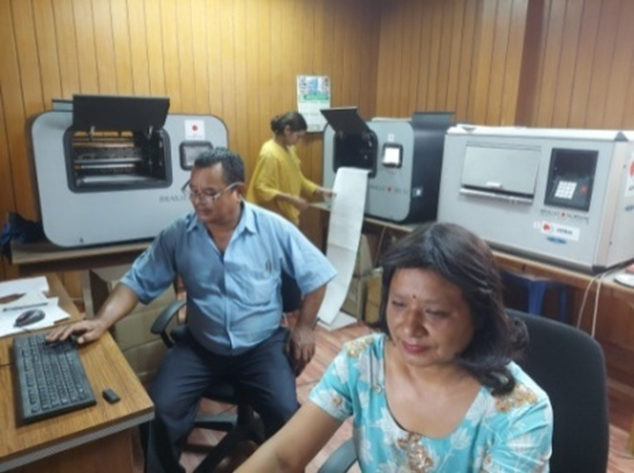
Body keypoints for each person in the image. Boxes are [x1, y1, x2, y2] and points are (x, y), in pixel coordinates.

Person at [46, 148, 337, 473]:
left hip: (262, 346)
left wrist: (304, 327)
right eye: (193, 191)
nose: (198, 200)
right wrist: (100, 322)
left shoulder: (273, 229)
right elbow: (135, 282)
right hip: (202, 346)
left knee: (286, 413)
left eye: (209, 193)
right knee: (160, 409)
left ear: (237, 192)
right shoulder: (179, 234)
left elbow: (318, 275)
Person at [237, 223, 553, 472]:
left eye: (435, 312)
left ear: (479, 314)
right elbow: (282, 458)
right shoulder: (362, 361)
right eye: (398, 304)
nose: (408, 328)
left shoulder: (519, 411)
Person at [247, 111, 334, 316]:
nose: (299, 141)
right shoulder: (269, 153)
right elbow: (261, 188)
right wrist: (291, 198)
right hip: (269, 219)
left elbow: (299, 178)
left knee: (287, 266)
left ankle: (287, 305)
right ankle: (279, 308)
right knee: (277, 267)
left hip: (285, 218)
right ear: (287, 130)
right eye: (298, 136)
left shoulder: (288, 150)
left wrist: (318, 190)